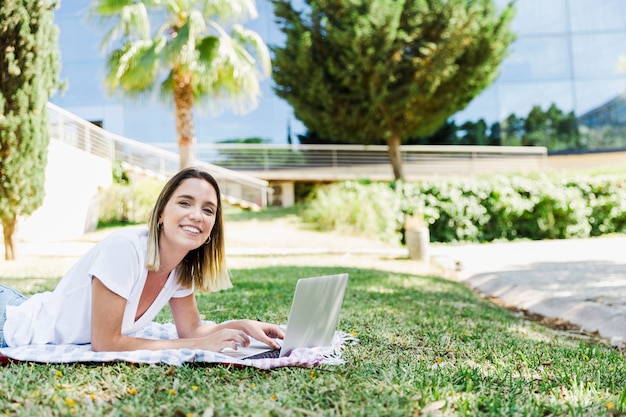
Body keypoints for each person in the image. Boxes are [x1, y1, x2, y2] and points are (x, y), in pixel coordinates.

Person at [0, 167, 285, 352]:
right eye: (185, 202)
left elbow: (193, 328)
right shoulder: (124, 250)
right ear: (161, 214)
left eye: (208, 210)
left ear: (213, 228)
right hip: (10, 323)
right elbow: (106, 342)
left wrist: (242, 325)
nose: (197, 215)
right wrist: (198, 345)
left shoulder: (180, 269)